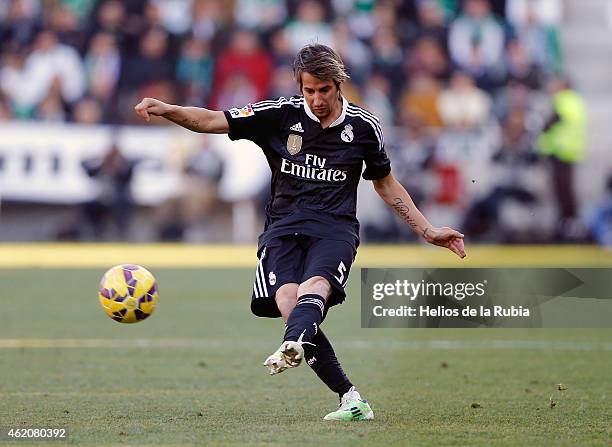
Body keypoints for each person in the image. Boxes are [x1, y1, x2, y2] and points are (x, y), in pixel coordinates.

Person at [134, 44, 466, 421]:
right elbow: (211, 120)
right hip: (283, 228)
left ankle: (292, 344)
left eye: (324, 90)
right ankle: (351, 399)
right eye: (309, 90)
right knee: (290, 305)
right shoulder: (277, 115)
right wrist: (169, 110)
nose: (317, 99)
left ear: (338, 84)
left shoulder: (363, 127)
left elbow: (385, 184)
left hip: (334, 229)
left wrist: (427, 230)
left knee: (315, 290)